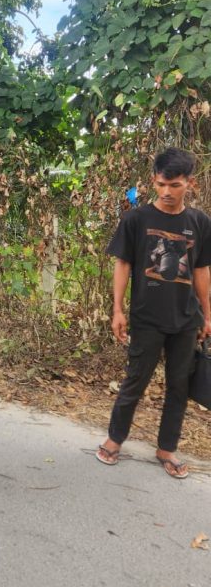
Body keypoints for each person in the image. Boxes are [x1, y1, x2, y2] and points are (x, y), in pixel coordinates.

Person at [96, 148, 211, 479]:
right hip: (146, 316)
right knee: (135, 381)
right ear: (153, 180)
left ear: (189, 183)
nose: (166, 192)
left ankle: (167, 448)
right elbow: (123, 264)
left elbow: (202, 271)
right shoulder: (136, 219)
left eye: (174, 185)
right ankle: (115, 440)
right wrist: (117, 310)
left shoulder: (200, 223)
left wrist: (206, 314)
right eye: (161, 184)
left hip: (186, 319)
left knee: (179, 386)